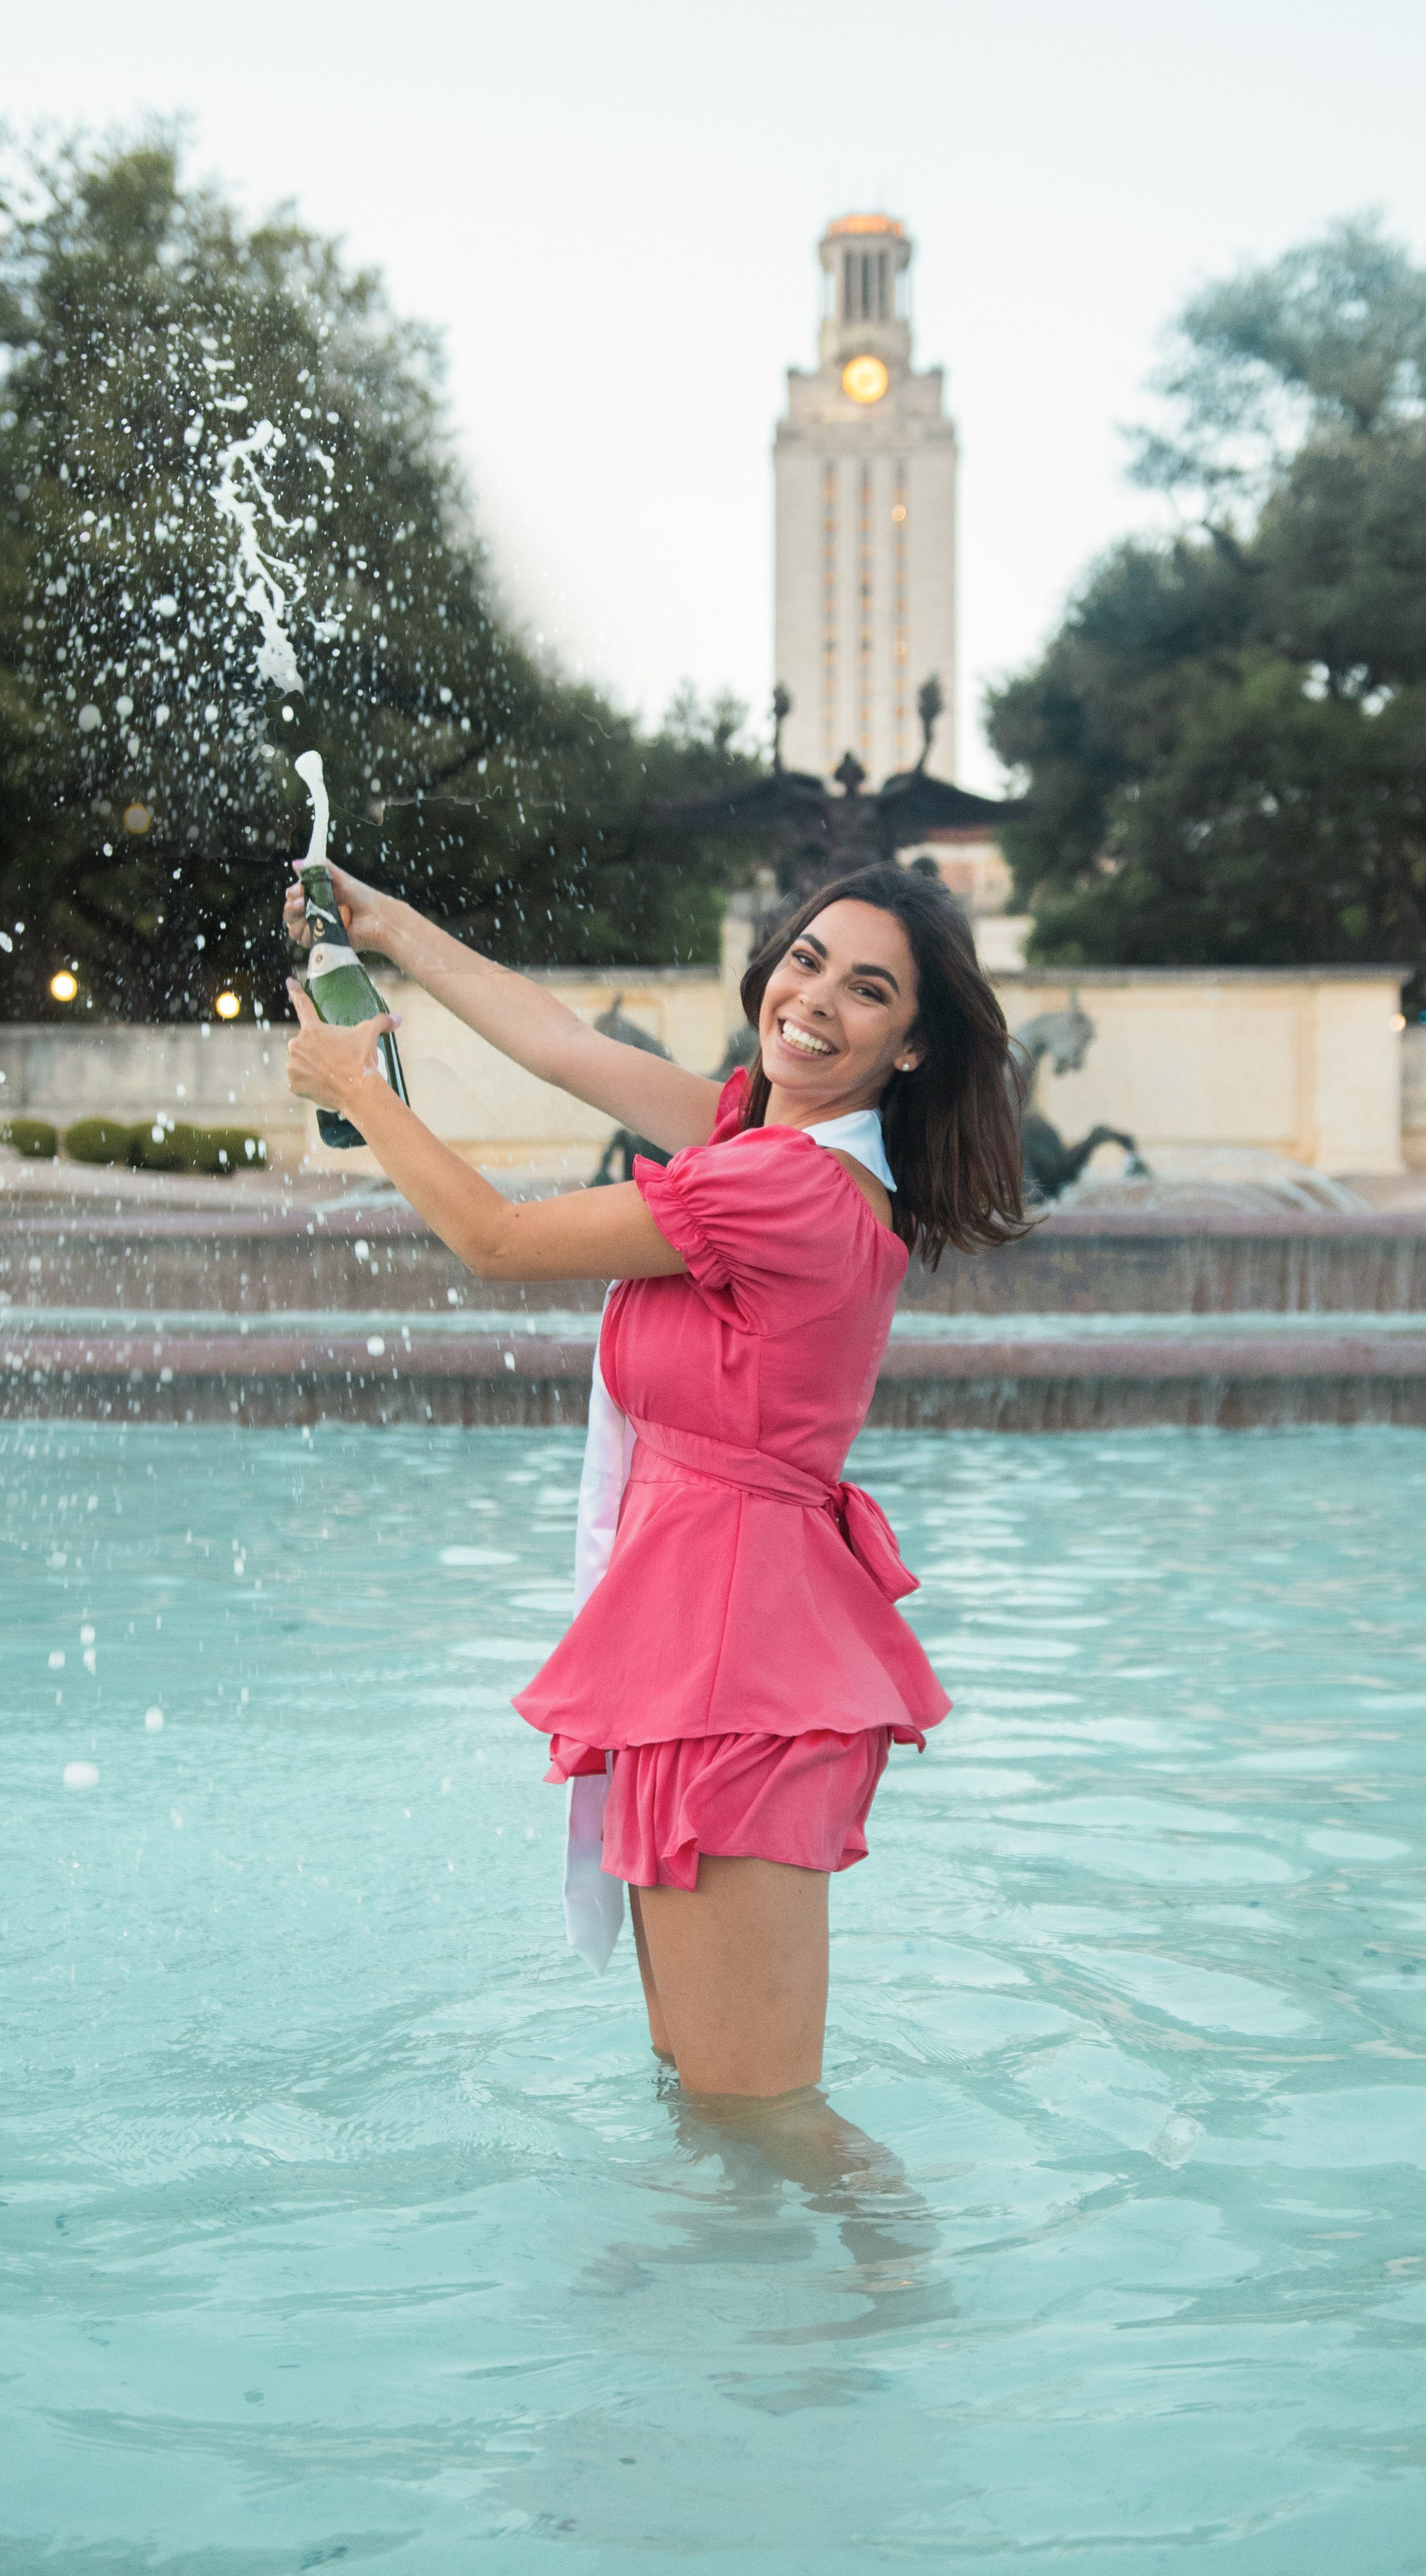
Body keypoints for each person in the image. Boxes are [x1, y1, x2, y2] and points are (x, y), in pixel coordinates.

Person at [282, 859, 1027, 2104]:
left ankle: (895, 2297)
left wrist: (360, 1092)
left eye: (867, 990)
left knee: (763, 2120)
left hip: (736, 1664)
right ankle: (729, 2298)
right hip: (702, 1640)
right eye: (806, 959)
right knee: (709, 2097)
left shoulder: (777, 1187)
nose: (815, 1000)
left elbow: (498, 1240)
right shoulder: (759, 1138)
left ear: (910, 1047)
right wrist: (391, 925)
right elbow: (567, 1045)